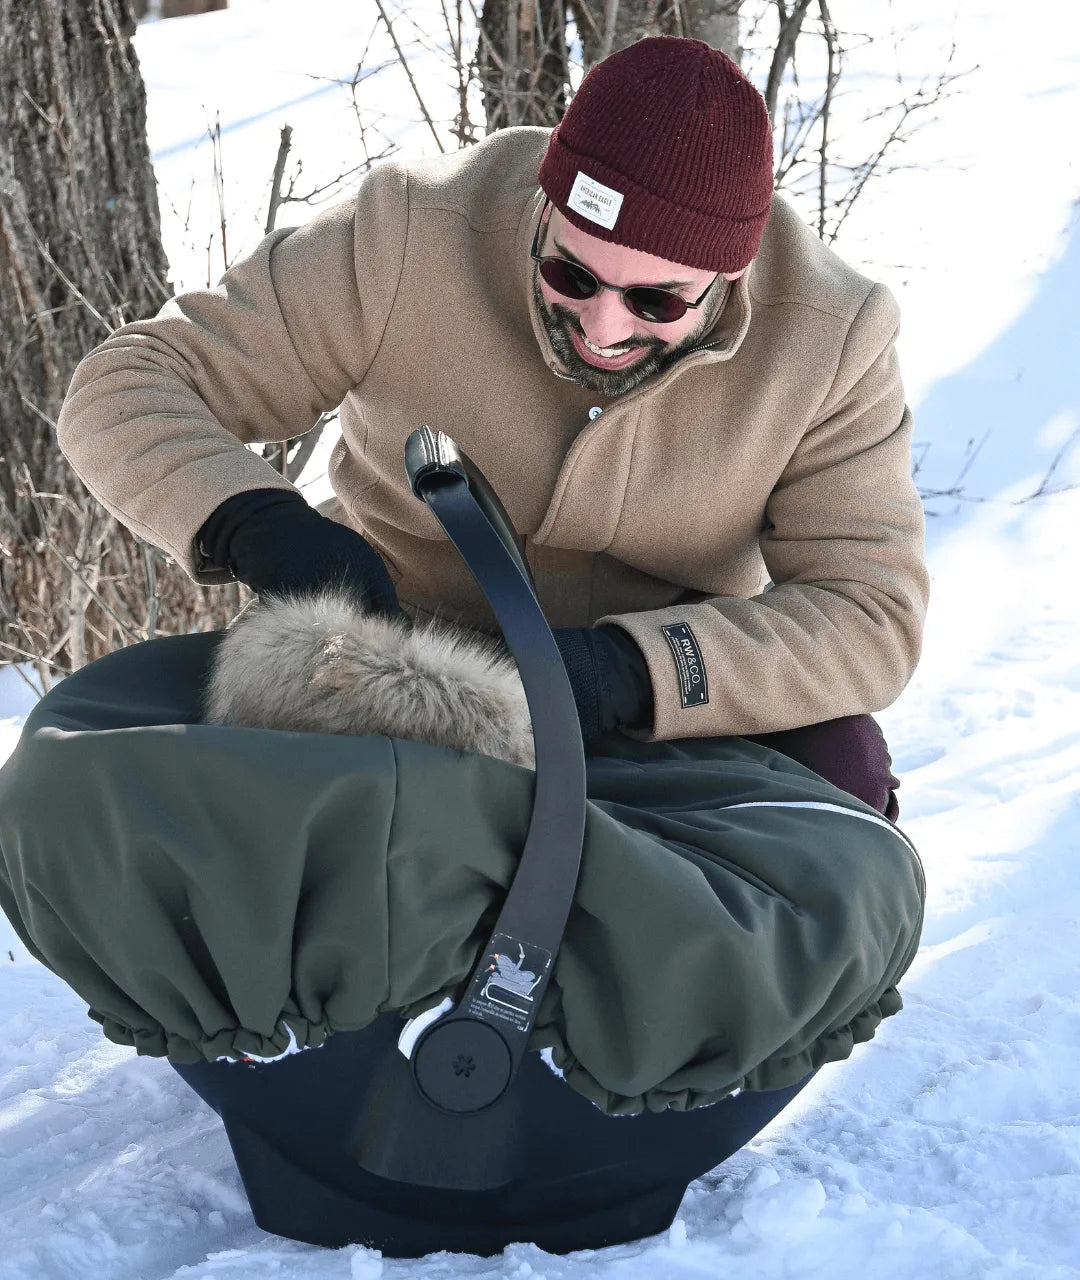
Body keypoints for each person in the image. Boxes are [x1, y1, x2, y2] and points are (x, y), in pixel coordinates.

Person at [57, 37, 927, 816]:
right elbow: (127, 385)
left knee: (840, 778)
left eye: (657, 300)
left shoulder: (833, 336)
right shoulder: (405, 231)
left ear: (732, 275)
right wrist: (261, 526)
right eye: (571, 274)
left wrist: (629, 672)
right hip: (396, 660)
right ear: (545, 209)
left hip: (660, 693)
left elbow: (870, 611)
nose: (604, 327)